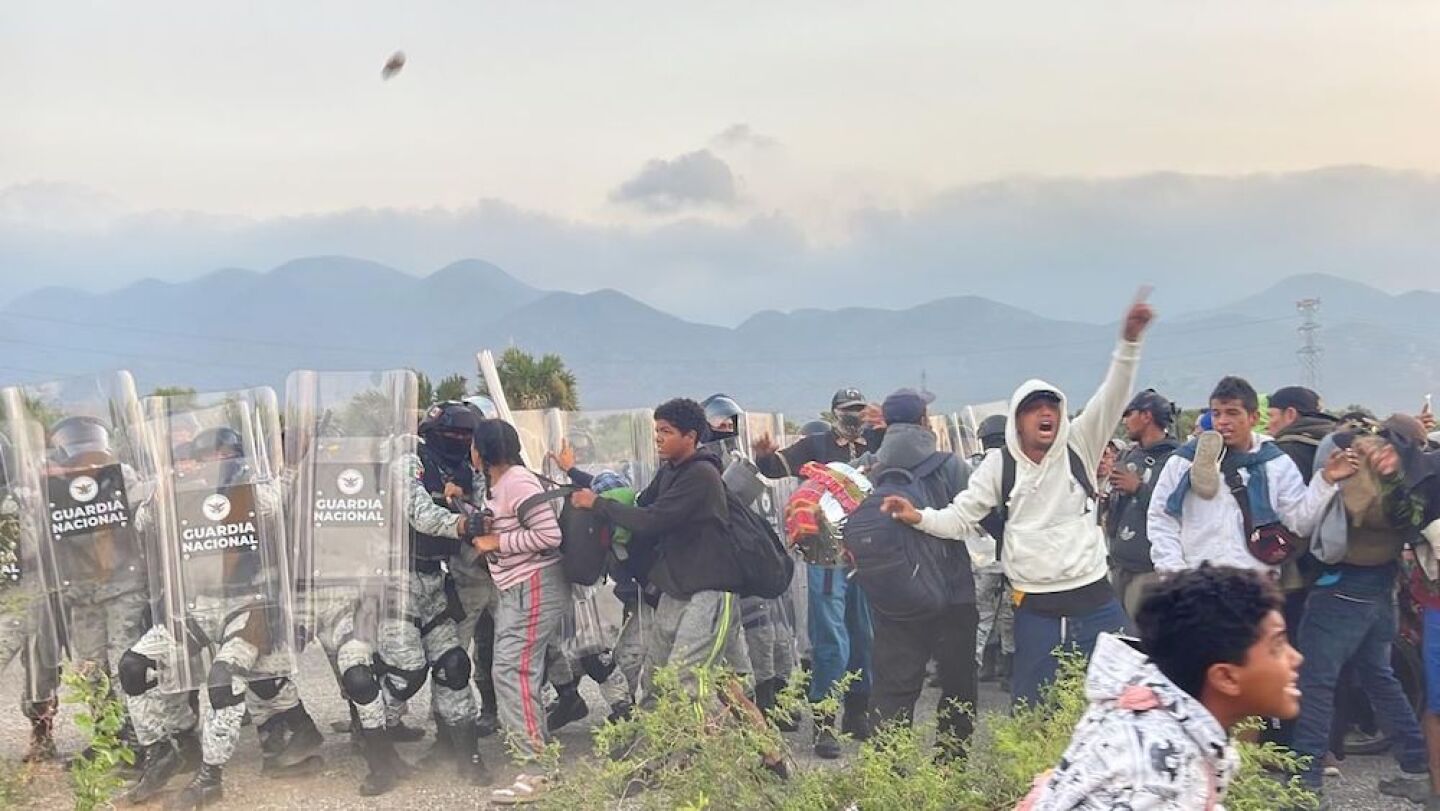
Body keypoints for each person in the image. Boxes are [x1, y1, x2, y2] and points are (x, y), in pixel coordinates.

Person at [883, 294, 1154, 707]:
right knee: (1033, 711)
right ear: (1017, 421)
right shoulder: (998, 466)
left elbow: (1113, 395)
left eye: (1051, 406)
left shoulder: (1079, 445)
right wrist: (917, 516)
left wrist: (1130, 343)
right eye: (1034, 409)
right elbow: (961, 518)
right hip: (1037, 608)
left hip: (1096, 601)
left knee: (1124, 704)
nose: (1045, 413)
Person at [1022, 566, 1302, 811]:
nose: (1296, 658)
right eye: (1277, 646)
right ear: (1226, 678)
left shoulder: (1161, 722)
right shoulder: (1157, 773)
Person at [1293, 416, 1431, 803]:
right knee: (1378, 674)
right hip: (1383, 579)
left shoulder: (1361, 459)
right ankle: (1417, 761)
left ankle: (1307, 780)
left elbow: (1352, 510)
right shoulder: (1412, 469)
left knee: (1317, 681)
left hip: (1344, 582)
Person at [753, 390, 878, 755]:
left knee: (864, 633)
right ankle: (825, 721)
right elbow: (777, 467)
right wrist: (763, 454)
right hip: (825, 553)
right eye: (847, 410)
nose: (854, 416)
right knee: (830, 638)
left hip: (867, 552)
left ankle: (858, 710)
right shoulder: (817, 443)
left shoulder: (878, 442)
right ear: (834, 412)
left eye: (859, 409)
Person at [855, 389, 973, 757]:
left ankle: (888, 779)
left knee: (892, 689)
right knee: (957, 687)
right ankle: (950, 770)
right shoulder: (951, 466)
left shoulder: (870, 468)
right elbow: (978, 518)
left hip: (894, 596)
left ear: (887, 425)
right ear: (925, 422)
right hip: (952, 594)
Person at [1147, 376, 1356, 577]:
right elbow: (1162, 518)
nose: (1223, 422)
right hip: (1198, 582)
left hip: (1256, 584)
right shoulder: (1184, 461)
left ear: (1253, 417)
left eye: (1232, 413)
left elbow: (1299, 523)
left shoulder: (1274, 462)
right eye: (1217, 414)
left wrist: (1326, 480)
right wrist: (1174, 573)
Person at [466, 418, 568, 805]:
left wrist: (498, 540)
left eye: (474, 445)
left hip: (534, 585)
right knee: (516, 671)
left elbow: (549, 536)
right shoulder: (502, 483)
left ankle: (538, 769)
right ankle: (537, 759)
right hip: (517, 587)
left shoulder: (517, 481)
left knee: (513, 670)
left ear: (484, 450)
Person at [1105, 389, 1182, 620]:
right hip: (1120, 566)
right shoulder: (1129, 455)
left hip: (1149, 572)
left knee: (1146, 640)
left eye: (1129, 413)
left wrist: (1138, 488)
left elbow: (1176, 510)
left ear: (1147, 416)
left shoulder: (1175, 459)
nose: (1125, 420)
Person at [969, 415, 1014, 691]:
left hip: (980, 554)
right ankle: (1009, 670)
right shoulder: (1018, 464)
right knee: (1011, 614)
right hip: (1012, 553)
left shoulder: (973, 466)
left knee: (981, 615)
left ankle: (972, 668)